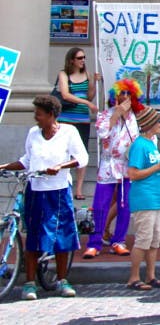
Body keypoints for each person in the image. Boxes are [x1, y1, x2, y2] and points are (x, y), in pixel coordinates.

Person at [0, 95, 89, 300]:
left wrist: (60, 166)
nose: (35, 118)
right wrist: (5, 166)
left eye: (39, 114)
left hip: (58, 191)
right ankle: (29, 283)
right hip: (36, 191)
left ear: (51, 115)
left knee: (61, 235)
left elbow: (82, 158)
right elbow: (27, 160)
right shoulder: (33, 133)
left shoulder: (68, 132)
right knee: (33, 235)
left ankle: (62, 280)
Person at [83, 78, 142, 259]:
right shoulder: (105, 115)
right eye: (122, 93)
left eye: (128, 94)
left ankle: (119, 240)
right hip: (109, 165)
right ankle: (94, 242)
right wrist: (116, 115)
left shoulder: (134, 118)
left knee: (125, 205)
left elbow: (136, 140)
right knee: (100, 205)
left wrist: (125, 117)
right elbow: (102, 133)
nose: (124, 97)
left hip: (126, 166)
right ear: (114, 95)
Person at [125, 107, 160, 291]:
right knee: (143, 240)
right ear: (149, 124)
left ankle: (151, 275)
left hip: (157, 199)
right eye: (158, 121)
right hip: (145, 200)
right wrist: (159, 166)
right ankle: (134, 277)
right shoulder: (139, 145)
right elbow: (133, 174)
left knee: (153, 241)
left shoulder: (151, 144)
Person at [55, 46, 99, 200]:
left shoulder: (86, 74)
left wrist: (94, 82)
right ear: (72, 60)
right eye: (80, 58)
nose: (83, 60)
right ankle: (63, 183)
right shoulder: (63, 74)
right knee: (63, 151)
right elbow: (65, 95)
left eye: (84, 57)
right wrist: (86, 103)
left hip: (82, 119)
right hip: (66, 117)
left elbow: (89, 96)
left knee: (82, 152)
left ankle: (79, 188)